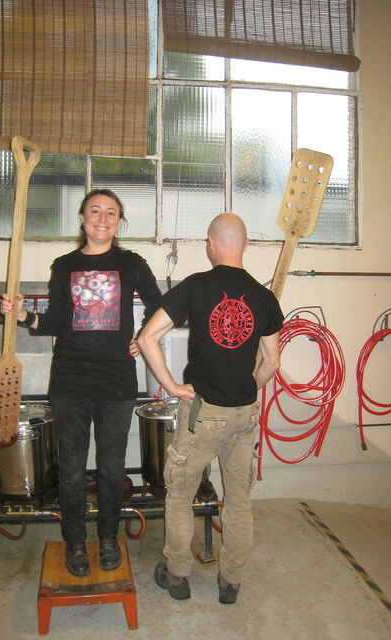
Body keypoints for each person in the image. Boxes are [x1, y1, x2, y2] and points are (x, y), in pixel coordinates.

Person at [1, 188, 161, 577]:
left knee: (111, 467)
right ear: (82, 218)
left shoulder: (132, 264)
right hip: (70, 378)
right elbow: (54, 322)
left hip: (116, 380)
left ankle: (107, 538)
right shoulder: (64, 266)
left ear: (119, 222)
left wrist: (144, 337)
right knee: (71, 469)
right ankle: (74, 541)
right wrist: (23, 316)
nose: (102, 218)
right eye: (95, 211)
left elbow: (160, 306)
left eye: (111, 212)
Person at [137, 213, 283, 604]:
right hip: (244, 414)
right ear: (246, 245)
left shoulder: (195, 286)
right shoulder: (264, 297)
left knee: (179, 496)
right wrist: (246, 388)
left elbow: (147, 338)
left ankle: (177, 576)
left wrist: (171, 386)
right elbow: (272, 363)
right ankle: (230, 583)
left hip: (202, 413)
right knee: (238, 501)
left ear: (211, 243)